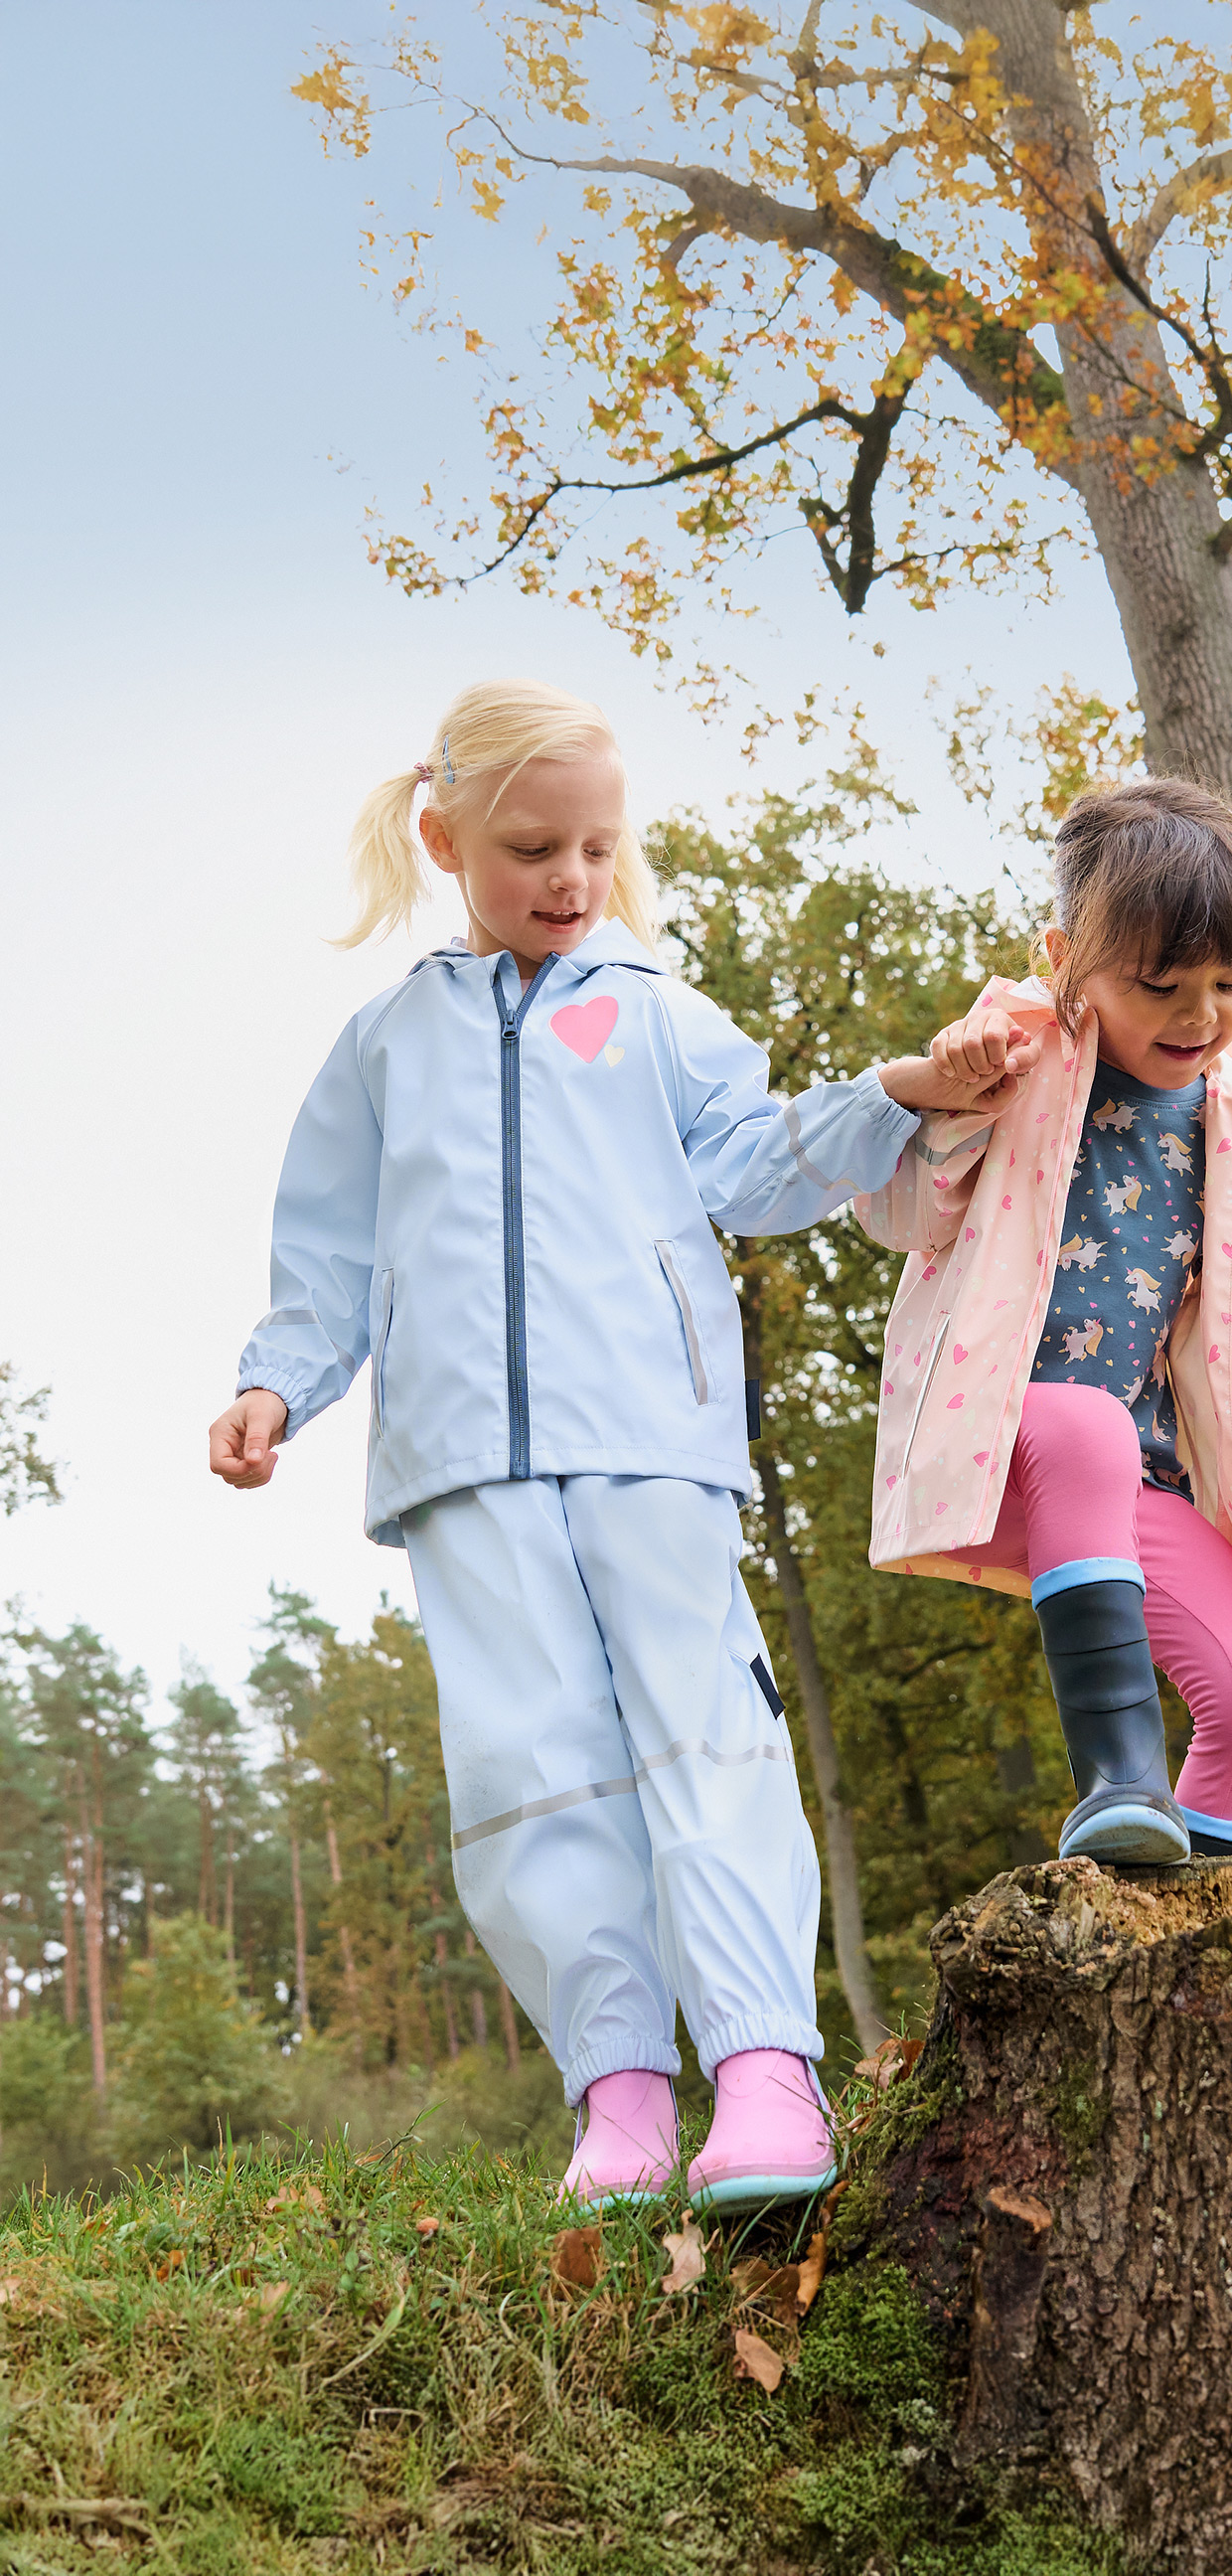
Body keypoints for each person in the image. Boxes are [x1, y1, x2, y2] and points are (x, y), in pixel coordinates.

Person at [208, 679, 1009, 2209]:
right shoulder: (381, 1046)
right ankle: (622, 2094)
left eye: (593, 845)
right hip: (459, 1462)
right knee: (531, 1771)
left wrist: (896, 1095)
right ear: (443, 837)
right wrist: (276, 1387)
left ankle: (767, 2071)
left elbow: (758, 1165)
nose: (569, 879)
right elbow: (322, 1261)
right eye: (530, 848)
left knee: (702, 1731)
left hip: (653, 1434)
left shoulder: (656, 1012)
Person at [854, 777, 1232, 1867]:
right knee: (1084, 1427)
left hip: (1128, 1478)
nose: (1199, 1015)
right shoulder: (1017, 1063)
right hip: (993, 1443)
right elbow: (896, 1217)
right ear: (1066, 961)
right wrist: (947, 1103)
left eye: (1229, 982)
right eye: (1161, 985)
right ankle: (1117, 1777)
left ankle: (1197, 1935)